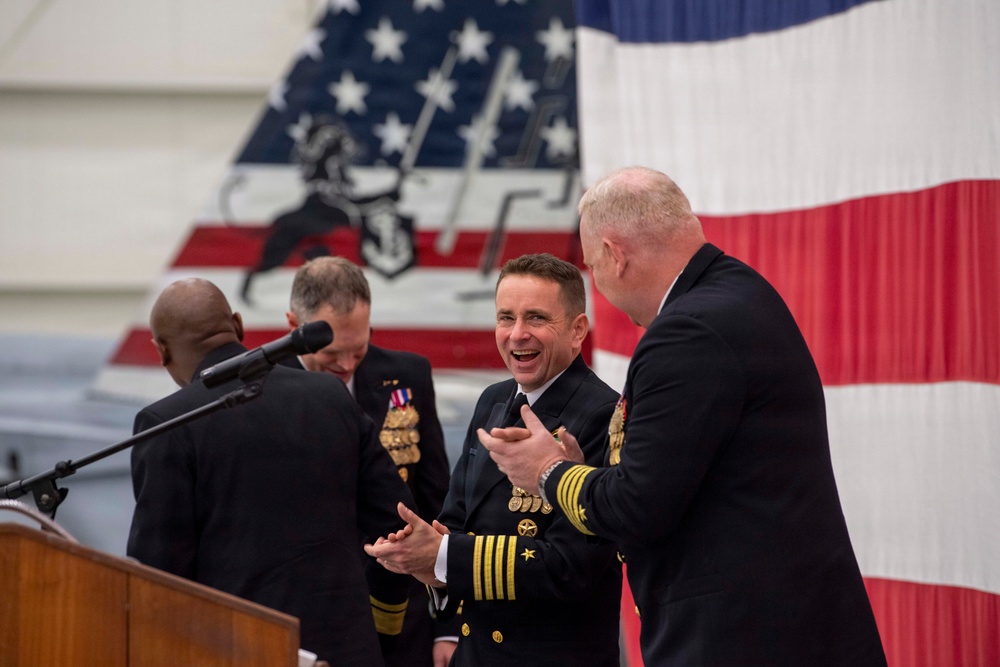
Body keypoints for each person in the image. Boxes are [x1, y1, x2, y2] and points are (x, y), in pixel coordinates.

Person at [480, 167, 888, 666]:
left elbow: (639, 507)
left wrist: (546, 472)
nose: (600, 280)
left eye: (593, 265)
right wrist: (584, 474)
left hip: (740, 639)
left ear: (615, 254)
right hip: (782, 624)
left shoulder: (686, 333)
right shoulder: (740, 293)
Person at [127, 278, 414, 665]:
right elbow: (398, 523)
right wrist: (379, 629)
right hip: (347, 648)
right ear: (239, 325)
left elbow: (156, 577)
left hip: (239, 650)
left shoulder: (166, 423)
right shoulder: (330, 396)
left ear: (161, 351)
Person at [366, 253, 622, 667]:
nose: (517, 334)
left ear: (577, 331)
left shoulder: (602, 415)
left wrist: (444, 555)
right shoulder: (494, 400)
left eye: (536, 318)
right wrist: (421, 555)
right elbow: (457, 518)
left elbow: (573, 567)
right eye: (506, 318)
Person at [284, 256, 450, 667]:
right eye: (332, 353)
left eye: (358, 349)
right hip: (305, 614)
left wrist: (449, 622)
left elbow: (439, 500)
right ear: (293, 326)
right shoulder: (260, 391)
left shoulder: (407, 375)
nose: (345, 365)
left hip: (399, 615)